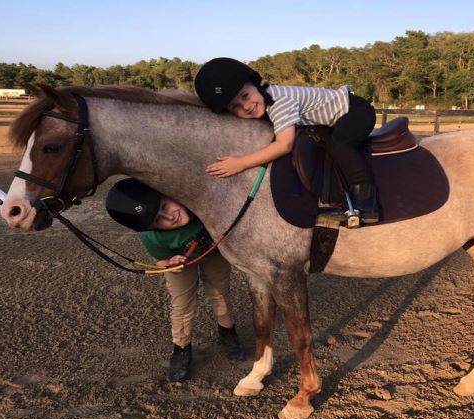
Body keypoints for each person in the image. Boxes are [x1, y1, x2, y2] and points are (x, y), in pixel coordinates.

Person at [194, 57, 380, 224]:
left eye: (245, 96)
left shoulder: (279, 101)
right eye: (236, 107)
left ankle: (366, 204)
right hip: (342, 114)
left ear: (255, 84)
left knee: (339, 144)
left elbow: (285, 144)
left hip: (354, 110)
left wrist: (242, 162)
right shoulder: (267, 100)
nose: (247, 106)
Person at [105, 178, 245, 383]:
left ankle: (227, 332)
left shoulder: (199, 202)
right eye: (158, 220)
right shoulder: (151, 238)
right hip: (179, 264)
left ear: (169, 193)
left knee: (220, 293)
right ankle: (181, 349)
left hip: (214, 254)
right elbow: (160, 261)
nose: (169, 217)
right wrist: (169, 262)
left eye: (164, 206)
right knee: (182, 304)